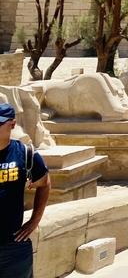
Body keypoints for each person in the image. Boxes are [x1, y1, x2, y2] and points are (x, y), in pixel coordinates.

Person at [0, 103, 50, 278]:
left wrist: (35, 220)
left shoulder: (25, 152)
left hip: (14, 246)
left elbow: (44, 183)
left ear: (12, 124)